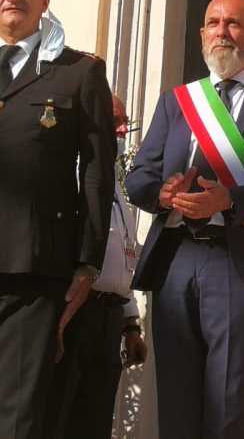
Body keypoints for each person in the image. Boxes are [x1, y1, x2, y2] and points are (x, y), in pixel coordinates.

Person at [125, 0, 244, 438]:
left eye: (233, 24)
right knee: (175, 398)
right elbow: (139, 177)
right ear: (202, 34)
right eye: (213, 23)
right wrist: (163, 194)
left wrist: (229, 200)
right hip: (175, 259)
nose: (221, 31)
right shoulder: (177, 101)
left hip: (235, 259)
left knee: (227, 400)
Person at [0, 0, 116, 439]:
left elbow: (97, 172)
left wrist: (87, 262)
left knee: (18, 415)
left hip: (34, 266)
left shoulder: (78, 73)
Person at [44, 96, 147, 438]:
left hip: (109, 319)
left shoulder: (114, 182)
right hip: (74, 314)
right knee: (59, 415)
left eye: (125, 122)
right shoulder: (69, 173)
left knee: (96, 419)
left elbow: (123, 256)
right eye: (114, 120)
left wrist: (131, 323)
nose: (122, 131)